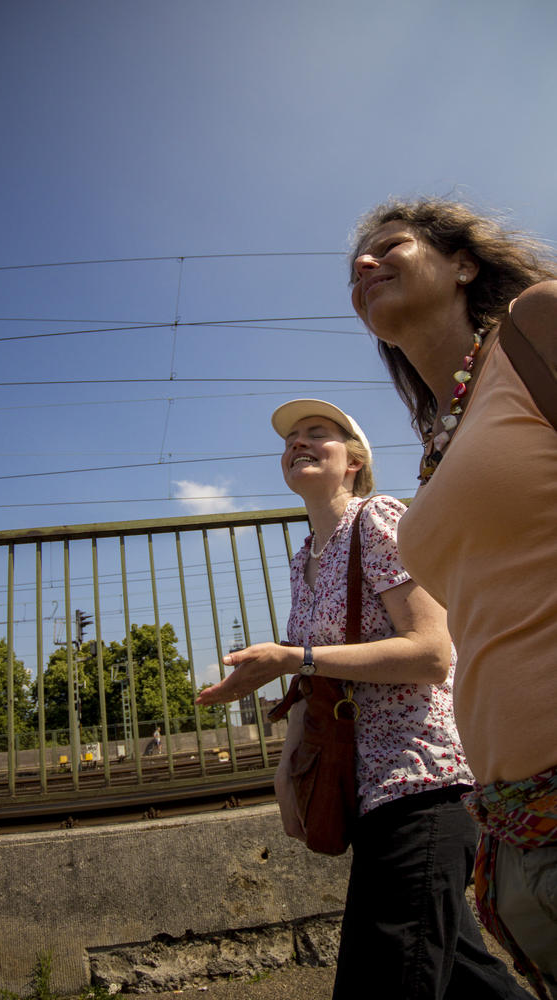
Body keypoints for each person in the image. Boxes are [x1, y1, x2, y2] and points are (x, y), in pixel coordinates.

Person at [197, 399, 530, 1000]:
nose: (299, 443)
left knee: (378, 978)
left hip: (423, 781)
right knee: (464, 977)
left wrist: (294, 657)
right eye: (291, 438)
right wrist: (285, 771)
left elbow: (432, 652)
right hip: (368, 790)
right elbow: (312, 682)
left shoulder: (378, 520)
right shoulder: (305, 561)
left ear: (353, 461)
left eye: (317, 434)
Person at [349, 196, 557, 999]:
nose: (362, 266)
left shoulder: (536, 326)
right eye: (352, 265)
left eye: (387, 246)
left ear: (463, 262)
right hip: (519, 824)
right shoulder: (439, 445)